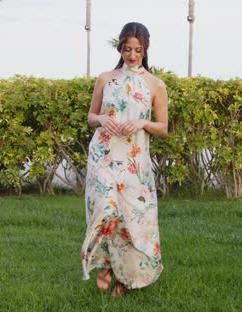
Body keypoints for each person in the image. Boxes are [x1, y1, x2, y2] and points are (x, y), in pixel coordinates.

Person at [80, 22, 168, 297]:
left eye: (138, 50)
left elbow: (163, 127)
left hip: (134, 161)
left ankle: (126, 277)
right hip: (104, 156)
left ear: (145, 50)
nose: (132, 55)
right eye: (127, 49)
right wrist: (103, 118)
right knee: (107, 209)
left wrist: (142, 122)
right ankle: (105, 264)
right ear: (120, 48)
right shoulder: (106, 78)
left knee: (133, 218)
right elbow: (91, 117)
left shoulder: (156, 84)